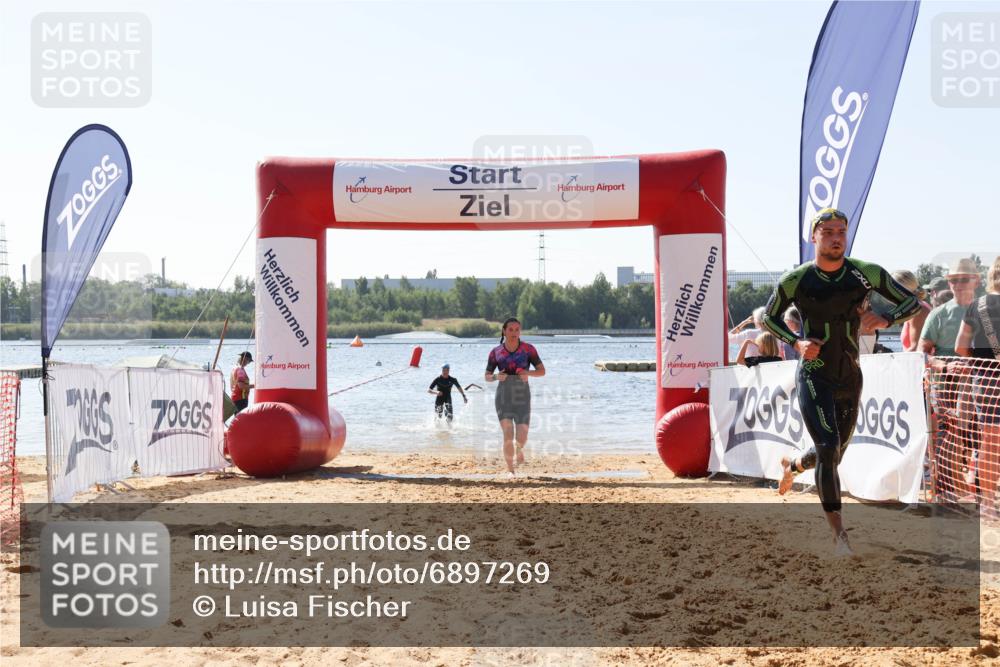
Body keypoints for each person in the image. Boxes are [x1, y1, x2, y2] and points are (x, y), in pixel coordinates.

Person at [762, 208, 920, 555]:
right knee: (829, 446)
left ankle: (794, 465)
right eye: (829, 231)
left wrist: (888, 317)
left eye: (841, 231)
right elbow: (768, 317)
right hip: (814, 375)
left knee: (833, 452)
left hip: (850, 375)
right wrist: (796, 343)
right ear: (814, 236)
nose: (836, 238)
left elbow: (912, 301)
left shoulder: (866, 273)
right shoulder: (796, 280)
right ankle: (839, 536)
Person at [956, 256, 1000, 513]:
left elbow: (960, 347)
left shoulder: (976, 306)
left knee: (990, 443)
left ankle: (988, 503)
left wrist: (980, 361)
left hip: (985, 380)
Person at [485, 317, 545, 474]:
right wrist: (497, 377)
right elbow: (487, 376)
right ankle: (511, 470)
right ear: (504, 331)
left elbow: (542, 371)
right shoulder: (496, 352)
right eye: (510, 330)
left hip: (522, 396)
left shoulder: (528, 349)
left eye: (517, 330)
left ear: (520, 331)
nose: (514, 333)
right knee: (508, 434)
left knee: (522, 436)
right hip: (503, 397)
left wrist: (528, 373)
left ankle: (519, 449)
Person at [919, 258, 981, 357]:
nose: (958, 284)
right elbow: (921, 353)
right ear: (949, 283)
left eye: (964, 279)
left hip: (984, 370)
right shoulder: (938, 314)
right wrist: (942, 366)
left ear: (977, 282)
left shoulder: (989, 310)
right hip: (948, 372)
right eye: (954, 280)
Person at [893, 270, 931, 352]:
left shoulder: (917, 310)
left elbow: (916, 349)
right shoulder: (917, 306)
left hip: (917, 363)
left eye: (892, 288)